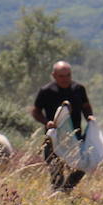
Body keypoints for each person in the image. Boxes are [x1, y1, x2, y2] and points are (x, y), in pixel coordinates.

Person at [32, 60, 95, 193]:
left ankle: (66, 190)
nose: (65, 79)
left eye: (68, 75)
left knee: (82, 166)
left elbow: (86, 107)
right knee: (56, 170)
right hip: (53, 139)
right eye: (61, 76)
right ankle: (57, 195)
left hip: (76, 137)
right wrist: (46, 122)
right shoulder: (46, 91)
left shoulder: (78, 89)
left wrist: (89, 117)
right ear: (54, 75)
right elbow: (35, 111)